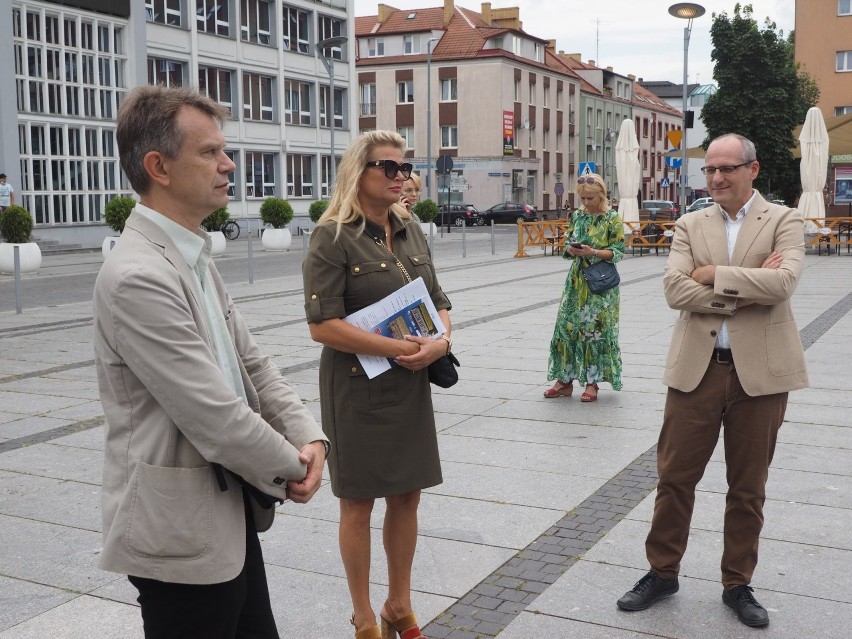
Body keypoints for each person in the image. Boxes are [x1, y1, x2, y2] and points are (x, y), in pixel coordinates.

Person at [93, 85, 329, 639]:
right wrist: (295, 466)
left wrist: (310, 436)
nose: (228, 166)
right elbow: (216, 417)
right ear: (159, 167)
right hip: (178, 532)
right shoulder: (138, 277)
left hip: (225, 510)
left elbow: (252, 364)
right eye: (209, 153)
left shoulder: (190, 253)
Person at [616, 133, 808, 628]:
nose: (717, 178)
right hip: (696, 369)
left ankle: (737, 582)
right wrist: (744, 292)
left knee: (748, 486)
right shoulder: (689, 222)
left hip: (759, 376)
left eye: (727, 169)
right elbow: (674, 290)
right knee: (674, 478)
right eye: (710, 170)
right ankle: (662, 572)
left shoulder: (784, 219)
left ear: (753, 170)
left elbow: (783, 283)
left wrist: (712, 274)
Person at [302, 131, 452, 639]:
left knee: (408, 496)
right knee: (358, 503)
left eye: (403, 167)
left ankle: (399, 605)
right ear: (357, 173)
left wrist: (440, 343)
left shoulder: (410, 229)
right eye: (387, 167)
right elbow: (322, 324)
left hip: (410, 385)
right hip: (356, 388)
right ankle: (364, 617)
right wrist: (401, 349)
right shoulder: (332, 236)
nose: (401, 177)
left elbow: (439, 301)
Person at [545, 173, 624, 402]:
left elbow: (618, 251)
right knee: (566, 328)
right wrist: (571, 249)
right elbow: (569, 239)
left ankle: (592, 383)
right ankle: (564, 381)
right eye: (583, 199)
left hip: (600, 284)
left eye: (590, 198)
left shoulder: (612, 219)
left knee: (594, 332)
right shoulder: (578, 215)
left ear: (601, 195)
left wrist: (594, 252)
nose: (586, 203)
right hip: (576, 282)